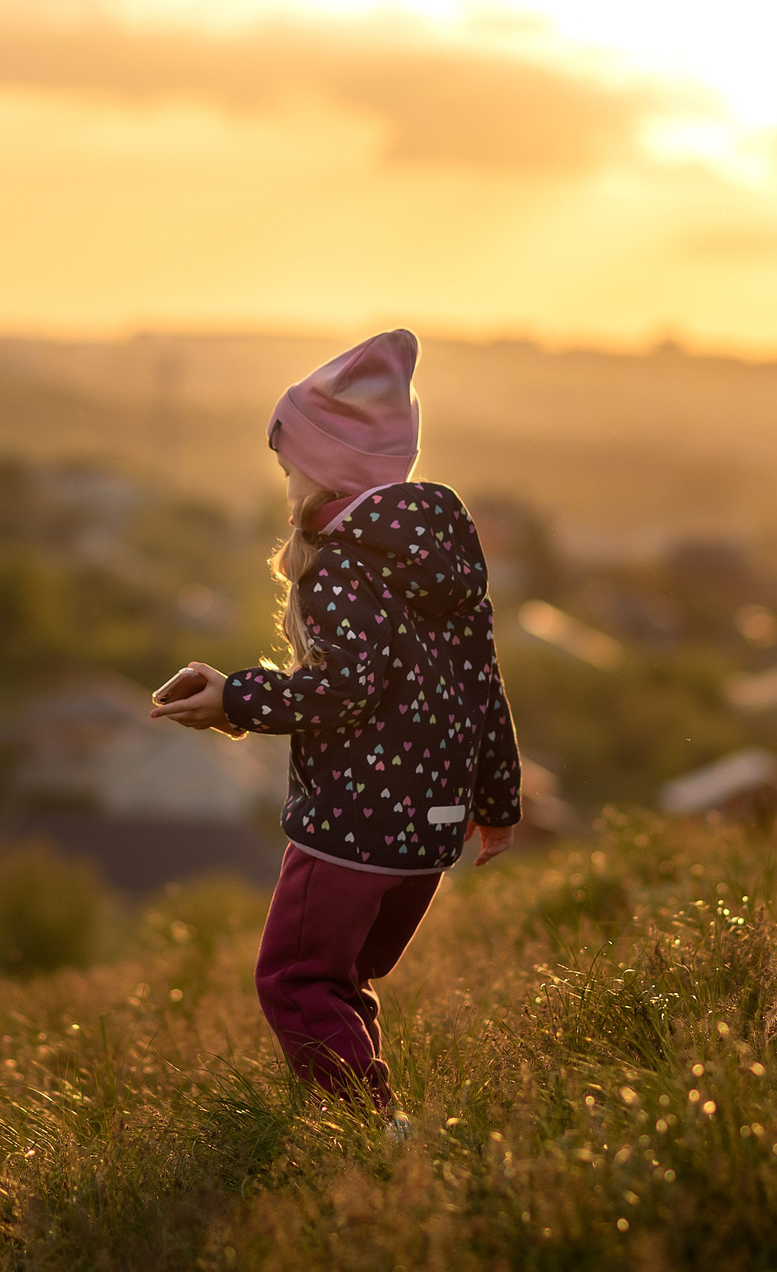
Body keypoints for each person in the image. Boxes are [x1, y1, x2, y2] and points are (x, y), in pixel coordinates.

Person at [150, 328, 521, 1116]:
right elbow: (482, 685)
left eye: (290, 467)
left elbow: (341, 689)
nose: (285, 483)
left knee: (295, 978)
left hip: (353, 828)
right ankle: (361, 1113)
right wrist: (496, 803)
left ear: (325, 469)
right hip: (428, 836)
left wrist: (236, 699)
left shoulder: (345, 564)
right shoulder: (441, 555)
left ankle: (368, 1123)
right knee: (342, 982)